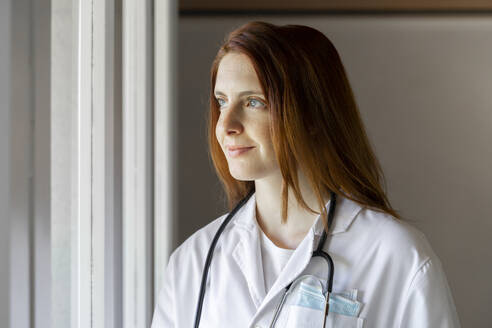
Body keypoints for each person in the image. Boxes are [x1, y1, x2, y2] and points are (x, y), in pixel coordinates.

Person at [151, 21, 460, 327]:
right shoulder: (193, 261)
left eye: (253, 102)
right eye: (222, 102)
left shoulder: (397, 256)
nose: (226, 124)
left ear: (312, 114)